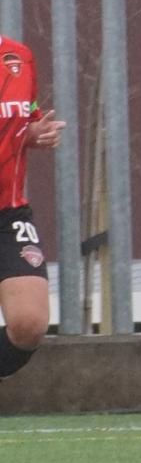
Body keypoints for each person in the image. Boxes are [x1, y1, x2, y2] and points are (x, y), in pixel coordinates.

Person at [0, 37, 65, 384]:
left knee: (28, 325)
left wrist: (34, 133)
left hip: (7, 215)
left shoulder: (18, 58)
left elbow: (22, 122)